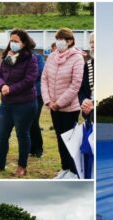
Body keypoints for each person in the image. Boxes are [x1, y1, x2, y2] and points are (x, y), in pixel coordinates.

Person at [0, 29, 38, 177]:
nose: (12, 43)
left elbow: (30, 80)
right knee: (1, 135)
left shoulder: (31, 59)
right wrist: (2, 85)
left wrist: (11, 89)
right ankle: (0, 164)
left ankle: (22, 166)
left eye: (16, 41)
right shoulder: (7, 56)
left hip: (25, 104)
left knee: (22, 135)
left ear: (24, 43)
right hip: (6, 104)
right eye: (11, 40)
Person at [41, 28, 84, 179]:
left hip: (69, 108)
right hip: (53, 106)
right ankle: (64, 168)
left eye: (61, 39)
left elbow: (75, 85)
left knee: (70, 141)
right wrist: (48, 100)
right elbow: (44, 79)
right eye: (57, 39)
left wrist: (59, 103)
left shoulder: (77, 58)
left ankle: (73, 171)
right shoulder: (52, 57)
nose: (58, 42)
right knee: (60, 139)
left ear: (70, 41)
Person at [30, 47, 46, 158]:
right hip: (22, 94)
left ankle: (38, 148)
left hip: (36, 94)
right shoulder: (16, 57)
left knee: (33, 121)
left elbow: (40, 72)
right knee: (26, 123)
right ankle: (30, 148)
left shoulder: (38, 57)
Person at [78, 33, 95, 122]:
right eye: (91, 42)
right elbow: (81, 90)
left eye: (95, 42)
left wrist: (94, 104)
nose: (92, 45)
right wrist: (84, 101)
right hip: (88, 112)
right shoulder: (88, 65)